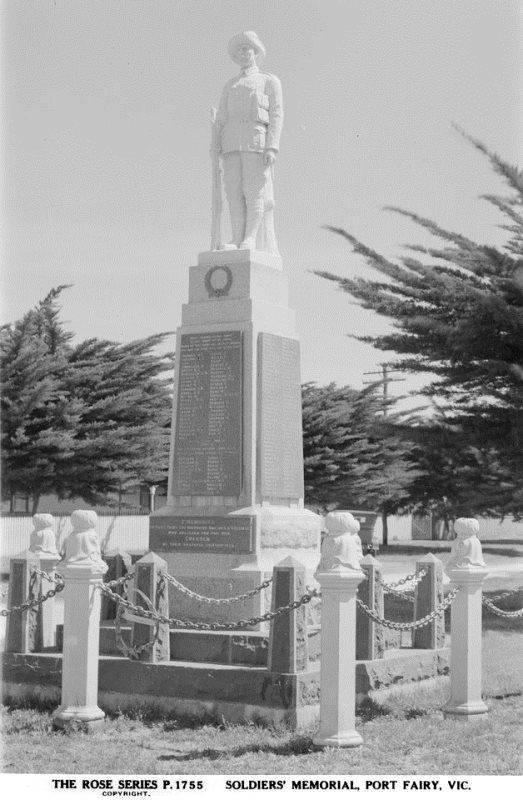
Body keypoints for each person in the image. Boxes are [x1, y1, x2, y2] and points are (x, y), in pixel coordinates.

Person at [213, 31, 283, 252]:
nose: (243, 53)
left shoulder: (268, 81)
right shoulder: (230, 85)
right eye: (240, 50)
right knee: (234, 192)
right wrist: (215, 146)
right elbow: (222, 117)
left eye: (247, 48)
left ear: (255, 52)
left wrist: (272, 146)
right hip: (231, 145)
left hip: (256, 144)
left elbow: (277, 114)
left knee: (254, 192)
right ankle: (236, 237)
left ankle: (250, 237)